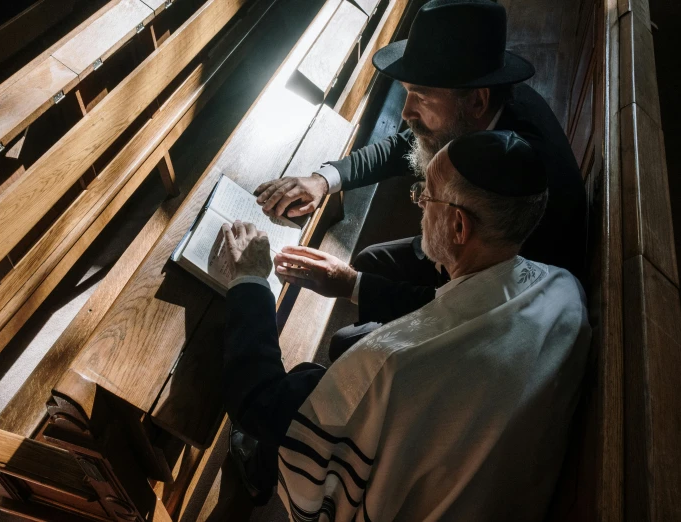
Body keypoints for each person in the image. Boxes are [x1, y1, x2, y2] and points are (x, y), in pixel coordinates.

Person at [221, 131, 591, 520]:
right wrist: (350, 283)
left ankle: (257, 469)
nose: (418, 204)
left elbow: (255, 401)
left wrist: (251, 280)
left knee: (311, 381)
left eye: (425, 196)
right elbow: (448, 310)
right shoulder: (563, 288)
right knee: (342, 349)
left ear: (458, 228)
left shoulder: (392, 367)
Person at [256, 0, 587, 358]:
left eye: (420, 95)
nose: (405, 111)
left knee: (347, 343)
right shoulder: (484, 102)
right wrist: (325, 180)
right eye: (407, 91)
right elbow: (409, 141)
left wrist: (350, 285)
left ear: (477, 101)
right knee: (371, 259)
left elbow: (475, 305)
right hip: (477, 262)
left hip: (507, 313)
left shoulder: (521, 189)